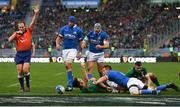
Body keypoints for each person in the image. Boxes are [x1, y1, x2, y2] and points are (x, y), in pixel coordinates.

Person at [8, 6, 39, 92]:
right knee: (19, 71)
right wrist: (15, 33)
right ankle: (22, 87)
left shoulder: (29, 31)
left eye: (22, 27)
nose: (21, 28)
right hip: (19, 54)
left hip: (27, 53)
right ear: (18, 27)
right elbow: (9, 40)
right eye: (20, 27)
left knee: (25, 70)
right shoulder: (16, 34)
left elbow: (33, 23)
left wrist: (36, 14)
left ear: (24, 26)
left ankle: (28, 84)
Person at [94, 65, 179, 95]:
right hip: (133, 81)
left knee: (134, 93)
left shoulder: (109, 74)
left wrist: (96, 82)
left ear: (108, 70)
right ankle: (168, 85)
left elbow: (102, 79)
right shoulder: (117, 72)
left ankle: (152, 92)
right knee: (150, 88)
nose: (103, 72)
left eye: (104, 70)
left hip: (130, 83)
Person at [56, 16, 84, 91]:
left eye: (71, 22)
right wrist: (57, 44)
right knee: (67, 66)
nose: (70, 23)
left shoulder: (78, 30)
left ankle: (69, 85)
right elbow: (58, 38)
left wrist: (80, 52)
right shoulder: (64, 28)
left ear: (74, 22)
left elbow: (81, 42)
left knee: (68, 64)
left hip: (73, 50)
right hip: (64, 50)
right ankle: (73, 82)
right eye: (69, 22)